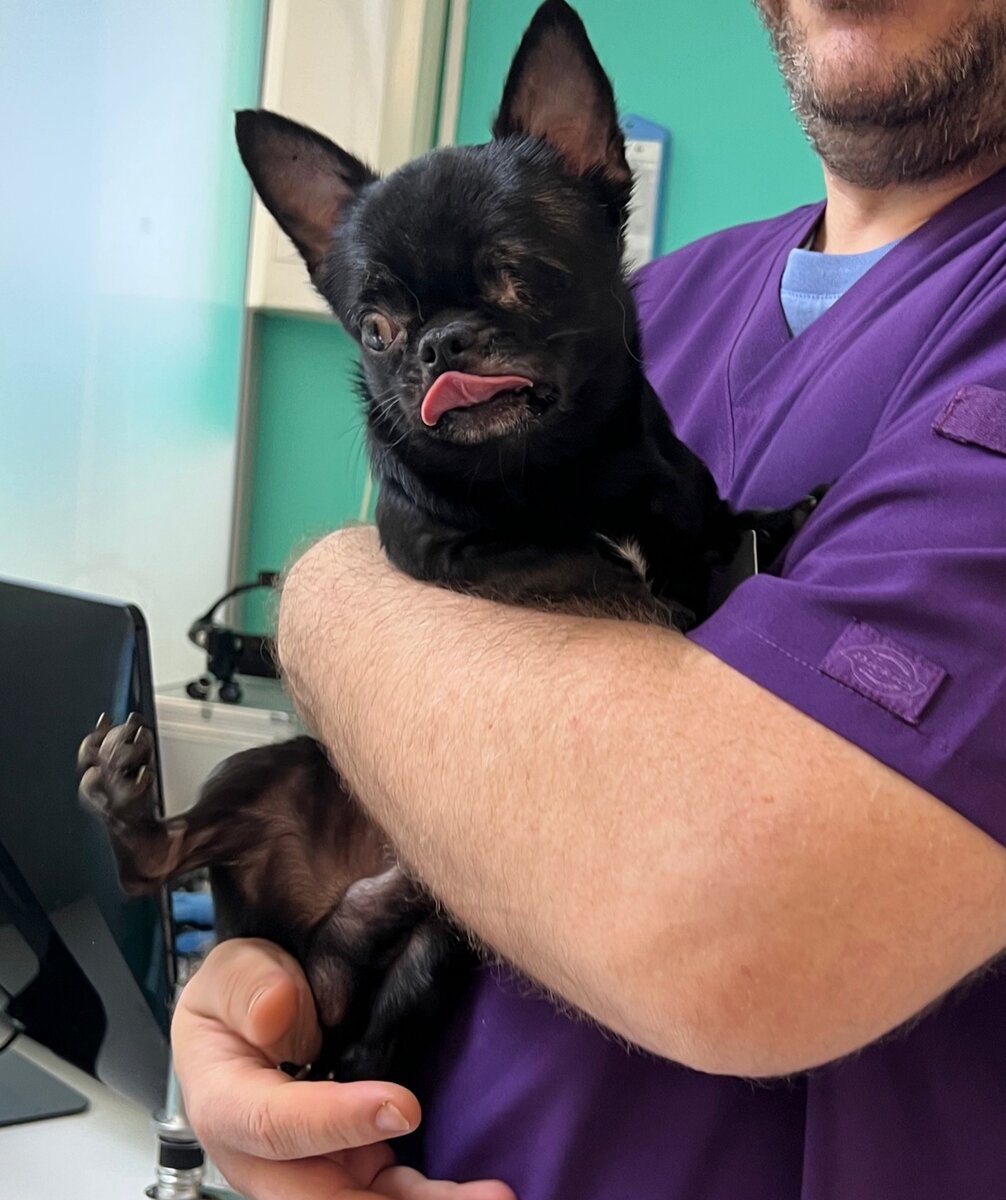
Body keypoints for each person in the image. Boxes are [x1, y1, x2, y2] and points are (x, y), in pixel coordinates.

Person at [172, 2, 1006, 1197]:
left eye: (506, 286)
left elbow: (729, 925)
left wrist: (328, 589)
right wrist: (260, 1038)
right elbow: (442, 800)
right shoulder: (657, 302)